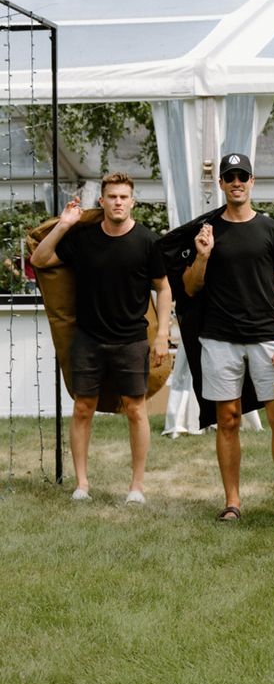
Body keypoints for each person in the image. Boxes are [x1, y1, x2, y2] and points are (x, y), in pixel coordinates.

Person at [182, 152, 274, 525]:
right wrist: (203, 256)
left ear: (253, 181)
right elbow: (190, 288)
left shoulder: (272, 230)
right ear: (221, 184)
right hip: (219, 339)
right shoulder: (206, 230)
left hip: (267, 340)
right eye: (230, 177)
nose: (237, 182)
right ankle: (233, 503)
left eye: (243, 176)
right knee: (228, 419)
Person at [30, 173, 172, 504]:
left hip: (132, 339)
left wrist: (163, 332)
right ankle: (82, 485)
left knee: (136, 410)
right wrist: (64, 224)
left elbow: (163, 288)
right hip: (88, 338)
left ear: (132, 201)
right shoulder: (84, 240)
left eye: (124, 197)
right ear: (102, 201)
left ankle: (137, 487)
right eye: (112, 197)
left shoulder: (147, 242)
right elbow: (39, 260)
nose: (118, 202)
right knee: (82, 408)